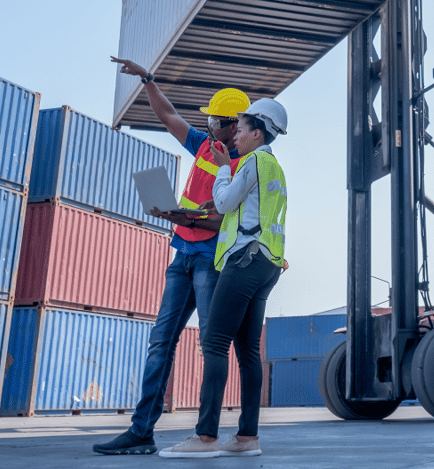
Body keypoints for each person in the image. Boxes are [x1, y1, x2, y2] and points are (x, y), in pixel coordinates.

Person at [92, 56, 248, 456]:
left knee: (211, 346)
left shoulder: (244, 164)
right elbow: (168, 116)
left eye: (215, 120)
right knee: (160, 342)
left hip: (211, 261)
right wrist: (147, 79)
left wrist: (186, 217)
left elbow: (228, 221)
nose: (208, 125)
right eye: (208, 119)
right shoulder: (203, 145)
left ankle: (206, 435)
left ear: (235, 125)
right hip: (182, 257)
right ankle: (141, 431)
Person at [158, 98, 289, 459]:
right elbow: (245, 210)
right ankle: (247, 437)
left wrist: (221, 169)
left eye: (242, 129)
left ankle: (205, 438)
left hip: (244, 261)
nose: (236, 137)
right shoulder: (274, 167)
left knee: (214, 343)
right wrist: (210, 208)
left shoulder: (253, 161)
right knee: (248, 352)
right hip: (267, 263)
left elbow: (228, 201)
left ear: (257, 133)